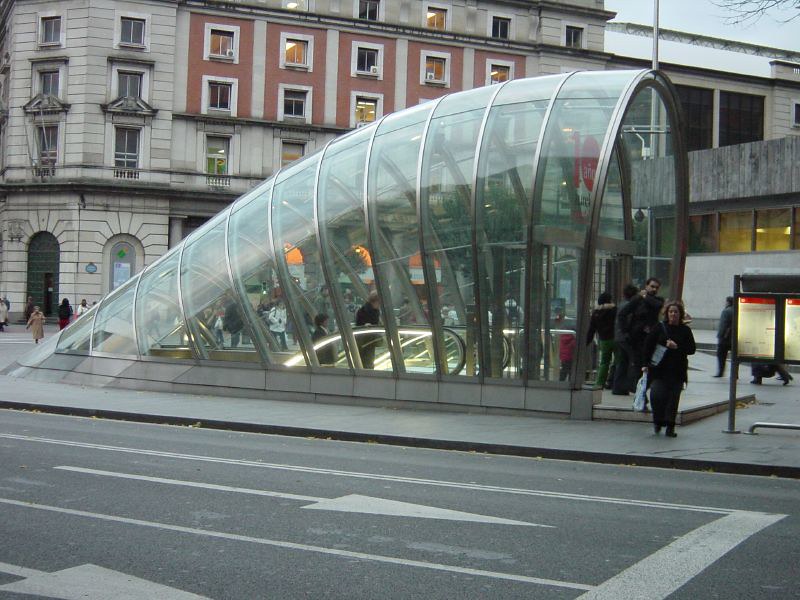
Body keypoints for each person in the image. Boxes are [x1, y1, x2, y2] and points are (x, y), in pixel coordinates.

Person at [643, 300, 696, 438]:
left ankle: (670, 427)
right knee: (656, 396)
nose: (673, 314)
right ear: (667, 313)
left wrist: (677, 347)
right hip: (659, 370)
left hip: (677, 371)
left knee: (673, 400)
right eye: (671, 312)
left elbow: (691, 349)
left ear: (680, 314)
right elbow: (648, 346)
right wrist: (645, 364)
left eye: (676, 312)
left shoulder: (685, 330)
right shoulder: (659, 328)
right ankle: (658, 421)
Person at [618, 277, 665, 398]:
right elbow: (623, 313)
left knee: (650, 365)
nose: (654, 289)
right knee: (638, 364)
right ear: (646, 286)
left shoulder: (656, 300)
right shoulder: (637, 300)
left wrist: (645, 297)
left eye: (656, 287)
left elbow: (657, 305)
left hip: (651, 339)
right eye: (652, 286)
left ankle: (640, 388)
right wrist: (626, 331)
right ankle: (638, 390)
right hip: (637, 338)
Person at [612, 284, 641, 395]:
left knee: (622, 362)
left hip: (618, 337)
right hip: (626, 337)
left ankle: (618, 386)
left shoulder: (621, 304)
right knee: (634, 361)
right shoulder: (630, 306)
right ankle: (631, 385)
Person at [586, 291, 617, 389]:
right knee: (618, 360)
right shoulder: (614, 310)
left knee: (604, 362)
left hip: (604, 340)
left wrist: (587, 341)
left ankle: (600, 383)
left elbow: (592, 329)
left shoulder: (596, 313)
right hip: (616, 338)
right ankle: (613, 381)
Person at [355, 290, 381, 369]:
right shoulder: (365, 311)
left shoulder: (372, 310)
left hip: (367, 341)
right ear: (376, 301)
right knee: (367, 362)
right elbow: (360, 325)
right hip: (366, 342)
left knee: (367, 362)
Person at [713, 296, 733, 377]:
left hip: (725, 338)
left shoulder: (726, 311)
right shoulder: (737, 310)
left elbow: (723, 325)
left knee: (721, 355)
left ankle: (720, 372)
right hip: (734, 338)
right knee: (735, 357)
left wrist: (720, 336)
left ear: (728, 302)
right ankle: (736, 374)